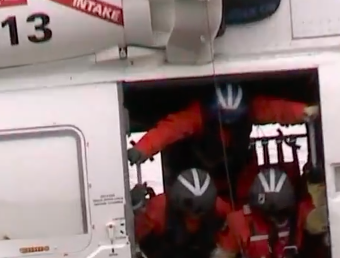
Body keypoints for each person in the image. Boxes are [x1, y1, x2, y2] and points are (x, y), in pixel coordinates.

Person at [127, 82, 319, 204]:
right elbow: (170, 129)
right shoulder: (197, 114)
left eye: (233, 119)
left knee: (244, 199)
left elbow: (276, 109)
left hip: (238, 165)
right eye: (224, 119)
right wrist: (142, 149)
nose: (229, 123)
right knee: (199, 199)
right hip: (201, 168)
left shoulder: (251, 108)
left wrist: (304, 112)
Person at [135, 167, 234, 258]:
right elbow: (133, 242)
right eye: (191, 211)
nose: (195, 217)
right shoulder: (156, 211)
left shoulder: (220, 209)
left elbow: (236, 235)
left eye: (201, 212)